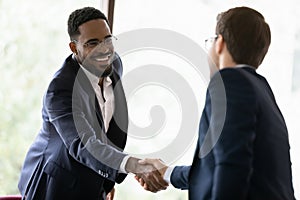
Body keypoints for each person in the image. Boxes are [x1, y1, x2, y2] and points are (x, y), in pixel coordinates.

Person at [138, 6, 296, 200]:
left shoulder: (230, 81)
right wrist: (167, 173)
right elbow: (217, 168)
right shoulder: (262, 89)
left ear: (220, 43)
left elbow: (232, 165)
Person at [18, 7, 167, 200]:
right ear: (74, 48)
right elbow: (85, 143)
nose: (104, 49)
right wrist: (136, 165)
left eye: (107, 40)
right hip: (55, 185)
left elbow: (106, 131)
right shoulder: (60, 90)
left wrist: (105, 184)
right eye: (92, 43)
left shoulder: (114, 64)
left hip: (94, 180)